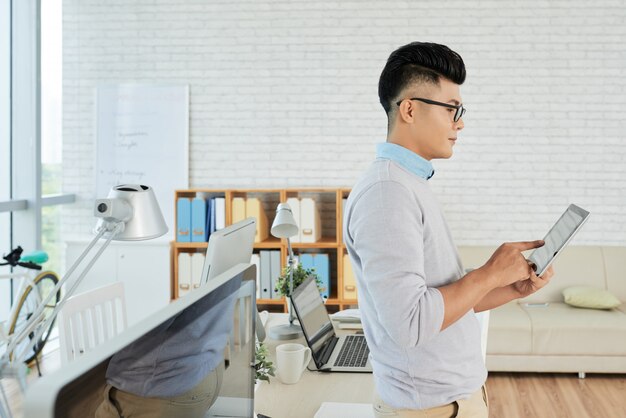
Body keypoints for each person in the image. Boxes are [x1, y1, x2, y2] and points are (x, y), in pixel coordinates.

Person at [343, 41, 555, 418]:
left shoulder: (408, 182)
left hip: (450, 401)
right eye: (452, 109)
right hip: (432, 409)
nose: (460, 122)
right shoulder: (387, 194)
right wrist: (489, 273)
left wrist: (509, 287)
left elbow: (442, 302)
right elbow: (411, 323)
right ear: (409, 109)